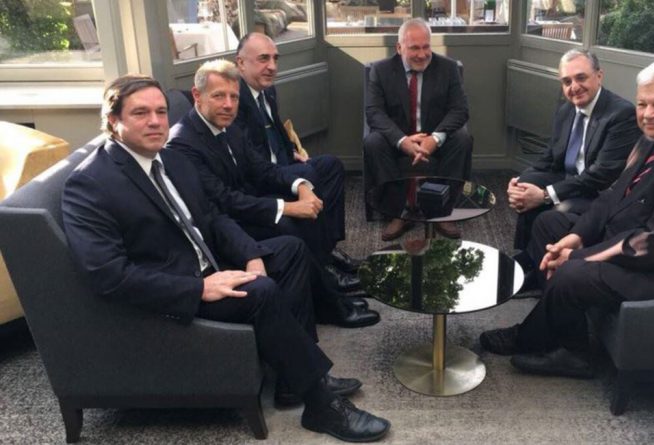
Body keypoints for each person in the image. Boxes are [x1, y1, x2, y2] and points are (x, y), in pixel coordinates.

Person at [61, 74, 390, 442]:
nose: (155, 122)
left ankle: (292, 378)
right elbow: (107, 275)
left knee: (288, 250)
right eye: (140, 113)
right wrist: (199, 288)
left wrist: (251, 255)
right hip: (173, 292)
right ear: (112, 121)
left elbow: (212, 217)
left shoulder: (169, 159)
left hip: (207, 263)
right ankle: (320, 403)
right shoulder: (90, 184)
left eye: (161, 112)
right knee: (262, 292)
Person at [480, 58, 654, 378]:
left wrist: (576, 257)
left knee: (572, 272)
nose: (647, 114)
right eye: (642, 104)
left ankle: (558, 349)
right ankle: (567, 327)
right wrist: (576, 237)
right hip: (642, 233)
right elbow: (613, 195)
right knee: (551, 226)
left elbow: (651, 245)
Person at [167, 59, 379, 329]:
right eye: (218, 96)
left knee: (306, 208)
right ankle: (330, 302)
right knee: (289, 225)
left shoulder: (228, 126)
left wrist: (301, 186)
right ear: (197, 95)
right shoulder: (182, 143)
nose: (229, 105)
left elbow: (262, 169)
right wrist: (287, 207)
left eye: (234, 96)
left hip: (245, 208)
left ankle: (326, 290)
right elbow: (223, 200)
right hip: (224, 225)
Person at [233, 32, 359, 277]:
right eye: (263, 59)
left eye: (275, 58)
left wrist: (291, 152)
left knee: (331, 165)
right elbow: (250, 161)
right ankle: (322, 265)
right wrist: (293, 171)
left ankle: (328, 246)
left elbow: (276, 131)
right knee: (307, 173)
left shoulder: (267, 91)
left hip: (281, 166)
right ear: (241, 63)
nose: (272, 66)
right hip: (259, 181)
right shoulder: (234, 101)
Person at [509, 49, 641, 268]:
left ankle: (540, 266)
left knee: (545, 212)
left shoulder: (621, 114)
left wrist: (545, 195)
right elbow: (550, 155)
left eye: (581, 78)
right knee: (526, 186)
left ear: (599, 76)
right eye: (567, 81)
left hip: (598, 191)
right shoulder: (566, 110)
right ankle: (527, 256)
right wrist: (518, 182)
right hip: (571, 177)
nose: (574, 87)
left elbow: (601, 175)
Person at [364, 18, 472, 241]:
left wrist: (435, 139)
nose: (422, 55)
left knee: (462, 139)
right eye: (414, 48)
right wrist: (402, 141)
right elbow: (374, 112)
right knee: (373, 142)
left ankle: (442, 210)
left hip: (435, 137)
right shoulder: (381, 70)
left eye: (426, 47)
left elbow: (460, 110)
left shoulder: (448, 68)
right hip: (397, 139)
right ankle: (398, 212)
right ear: (399, 47)